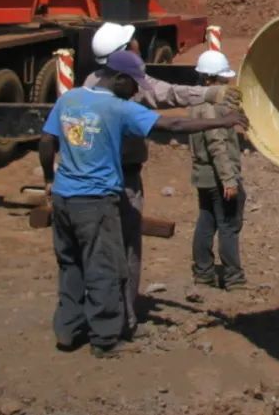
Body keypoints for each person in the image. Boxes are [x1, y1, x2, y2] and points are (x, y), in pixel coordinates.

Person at [39, 50, 246, 358]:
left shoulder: (70, 99)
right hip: (96, 202)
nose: (137, 90)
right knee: (104, 268)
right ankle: (105, 339)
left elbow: (46, 141)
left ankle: (66, 329)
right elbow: (172, 127)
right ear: (119, 78)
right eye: (133, 83)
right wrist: (226, 120)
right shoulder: (118, 109)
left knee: (70, 264)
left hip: (64, 197)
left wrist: (48, 178)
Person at [84, 22, 240, 339]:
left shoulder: (93, 83)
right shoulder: (124, 89)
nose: (138, 45)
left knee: (97, 250)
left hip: (92, 179)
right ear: (122, 54)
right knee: (125, 250)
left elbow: (168, 93)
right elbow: (169, 109)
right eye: (132, 42)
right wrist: (217, 103)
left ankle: (95, 317)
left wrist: (209, 92)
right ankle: (119, 324)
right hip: (120, 178)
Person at [189, 50, 246, 290]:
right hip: (218, 177)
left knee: (206, 221)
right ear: (212, 79)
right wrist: (229, 180)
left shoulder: (197, 103)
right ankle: (233, 278)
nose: (227, 84)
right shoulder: (210, 108)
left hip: (202, 176)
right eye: (224, 80)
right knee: (228, 226)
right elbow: (217, 145)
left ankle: (203, 273)